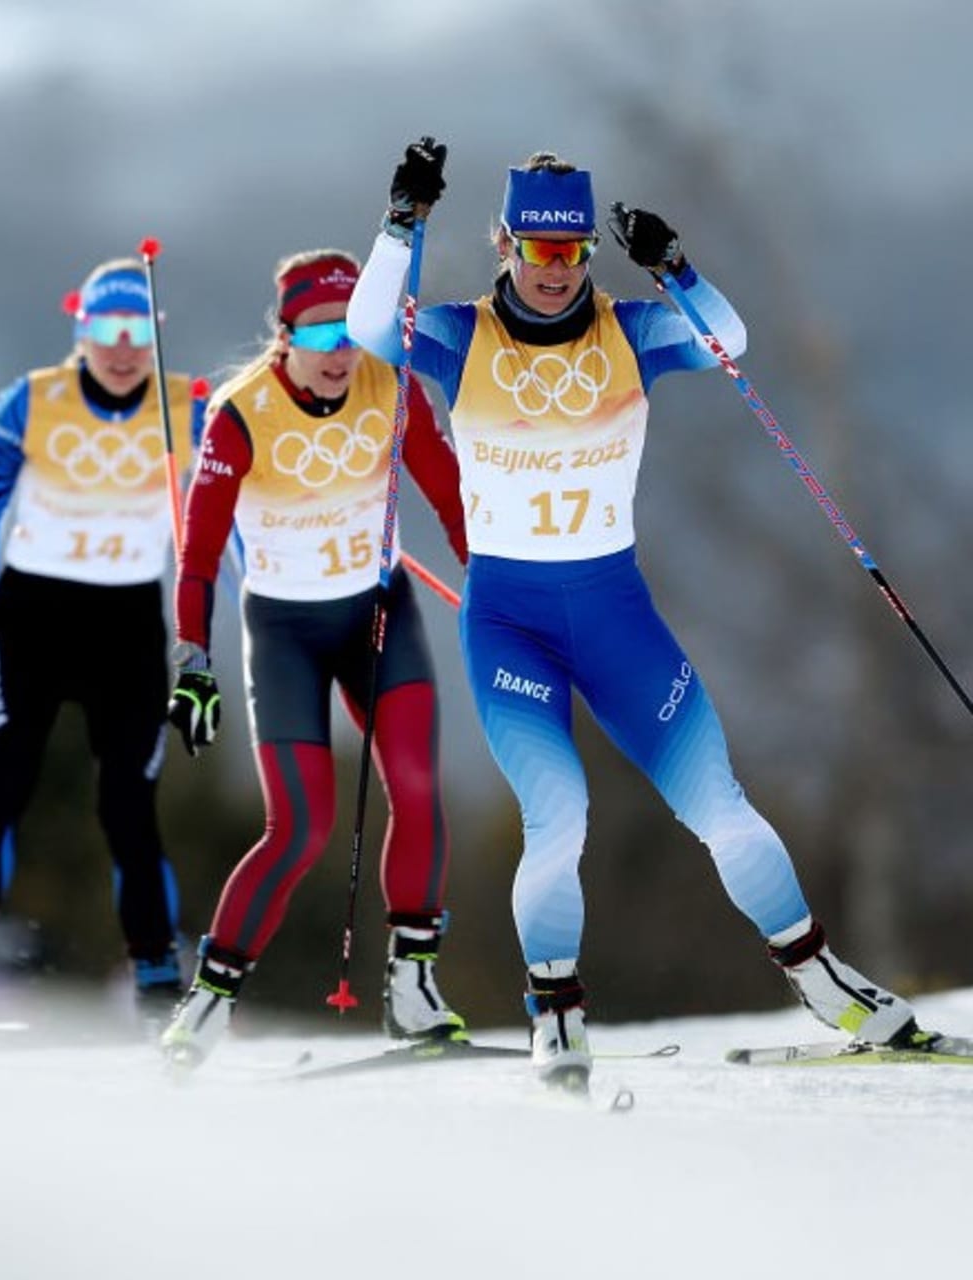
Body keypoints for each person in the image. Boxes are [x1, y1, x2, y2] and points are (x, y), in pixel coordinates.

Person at [346, 138, 960, 1091]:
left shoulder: (629, 330)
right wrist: (400, 223)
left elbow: (729, 343)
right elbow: (371, 330)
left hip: (616, 613)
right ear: (505, 243)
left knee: (719, 805)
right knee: (559, 818)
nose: (555, 272)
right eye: (538, 251)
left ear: (590, 250)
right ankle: (557, 1014)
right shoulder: (462, 336)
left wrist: (676, 267)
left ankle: (825, 981)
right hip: (511, 622)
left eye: (572, 251)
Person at [158, 249, 469, 1067]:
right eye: (320, 333)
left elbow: (450, 496)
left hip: (379, 616)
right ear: (284, 336)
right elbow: (197, 558)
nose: (338, 351)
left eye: (351, 330)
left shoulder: (390, 385)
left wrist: (506, 598)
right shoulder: (239, 414)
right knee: (300, 827)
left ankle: (413, 985)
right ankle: (211, 1001)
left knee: (418, 788)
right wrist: (192, 661)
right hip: (287, 632)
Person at [0, 257, 203, 1027]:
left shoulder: (185, 409)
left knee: (128, 807)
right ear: (82, 330)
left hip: (128, 627)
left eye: (138, 331)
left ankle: (157, 983)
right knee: (4, 784)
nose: (122, 347)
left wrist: (222, 628)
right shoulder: (29, 402)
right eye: (106, 330)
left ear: (156, 336)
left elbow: (220, 521)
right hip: (32, 618)